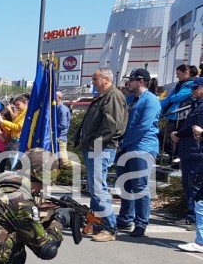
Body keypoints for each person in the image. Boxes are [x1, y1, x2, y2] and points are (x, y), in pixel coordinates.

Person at [73, 67, 128, 242]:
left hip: (101, 148)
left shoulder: (113, 96)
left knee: (98, 189)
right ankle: (98, 224)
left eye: (95, 79)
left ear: (106, 79)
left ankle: (109, 228)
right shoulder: (104, 97)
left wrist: (95, 145)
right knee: (95, 189)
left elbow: (112, 126)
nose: (93, 82)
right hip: (95, 148)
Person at [116, 68, 161, 237]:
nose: (129, 83)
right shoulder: (130, 99)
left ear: (141, 82)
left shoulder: (151, 100)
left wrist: (123, 143)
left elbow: (143, 126)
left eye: (132, 80)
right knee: (125, 185)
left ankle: (141, 223)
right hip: (126, 147)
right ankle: (125, 219)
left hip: (142, 147)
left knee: (140, 186)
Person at [171, 77, 203, 227]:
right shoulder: (196, 104)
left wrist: (178, 134)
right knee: (189, 185)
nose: (192, 91)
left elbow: (195, 128)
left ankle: (194, 217)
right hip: (189, 151)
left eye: (195, 88)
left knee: (193, 186)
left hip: (196, 151)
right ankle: (192, 215)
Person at [161, 64, 196, 163]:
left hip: (182, 115)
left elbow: (178, 96)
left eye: (178, 74)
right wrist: (161, 105)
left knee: (168, 135)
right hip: (174, 114)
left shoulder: (192, 84)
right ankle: (174, 156)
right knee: (168, 136)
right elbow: (171, 97)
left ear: (186, 73)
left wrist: (170, 99)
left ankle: (176, 156)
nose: (177, 76)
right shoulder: (179, 84)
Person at [0, 95, 28, 172]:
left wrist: (3, 121)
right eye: (16, 105)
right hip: (14, 139)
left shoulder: (25, 113)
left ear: (25, 103)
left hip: (19, 139)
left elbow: (18, 127)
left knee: (15, 162)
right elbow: (12, 129)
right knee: (13, 161)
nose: (16, 107)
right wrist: (2, 124)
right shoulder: (20, 113)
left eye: (18, 105)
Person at [56, 91, 72, 168]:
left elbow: (63, 125)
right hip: (55, 137)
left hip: (60, 138)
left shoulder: (62, 109)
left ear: (59, 98)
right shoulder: (55, 108)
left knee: (64, 162)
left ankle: (86, 168)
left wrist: (50, 126)